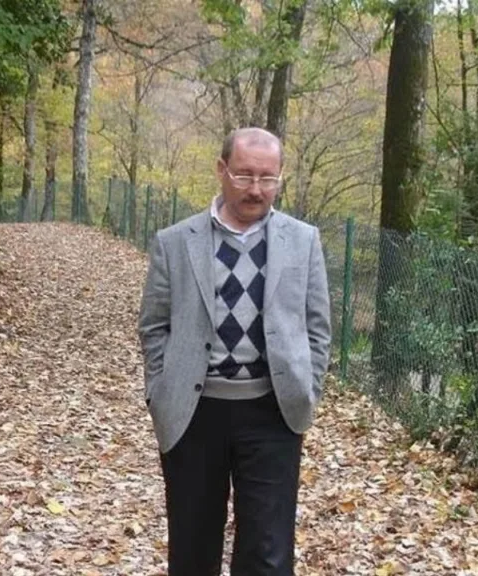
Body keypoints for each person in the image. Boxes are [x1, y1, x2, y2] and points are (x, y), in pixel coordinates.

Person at [137, 127, 332, 576]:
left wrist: (308, 389)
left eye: (268, 177)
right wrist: (160, 392)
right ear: (221, 170)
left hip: (273, 412)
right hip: (194, 412)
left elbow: (317, 327)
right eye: (244, 175)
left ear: (281, 176)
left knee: (268, 554)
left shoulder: (303, 240)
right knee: (193, 548)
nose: (256, 189)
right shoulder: (175, 241)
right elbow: (154, 325)